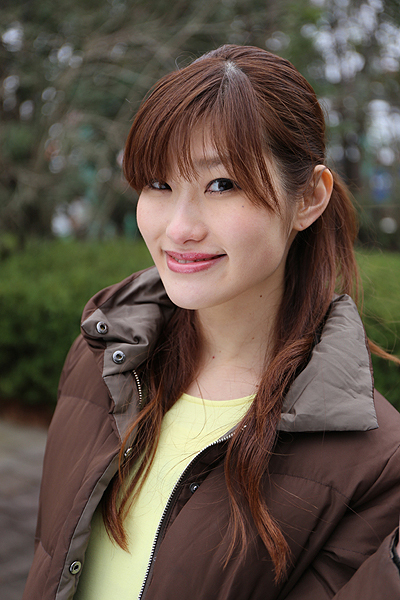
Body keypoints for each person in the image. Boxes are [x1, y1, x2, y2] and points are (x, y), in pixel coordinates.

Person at [24, 45, 400, 600]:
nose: (179, 228)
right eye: (159, 184)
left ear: (309, 198)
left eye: (222, 184)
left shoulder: (373, 462)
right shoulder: (101, 356)